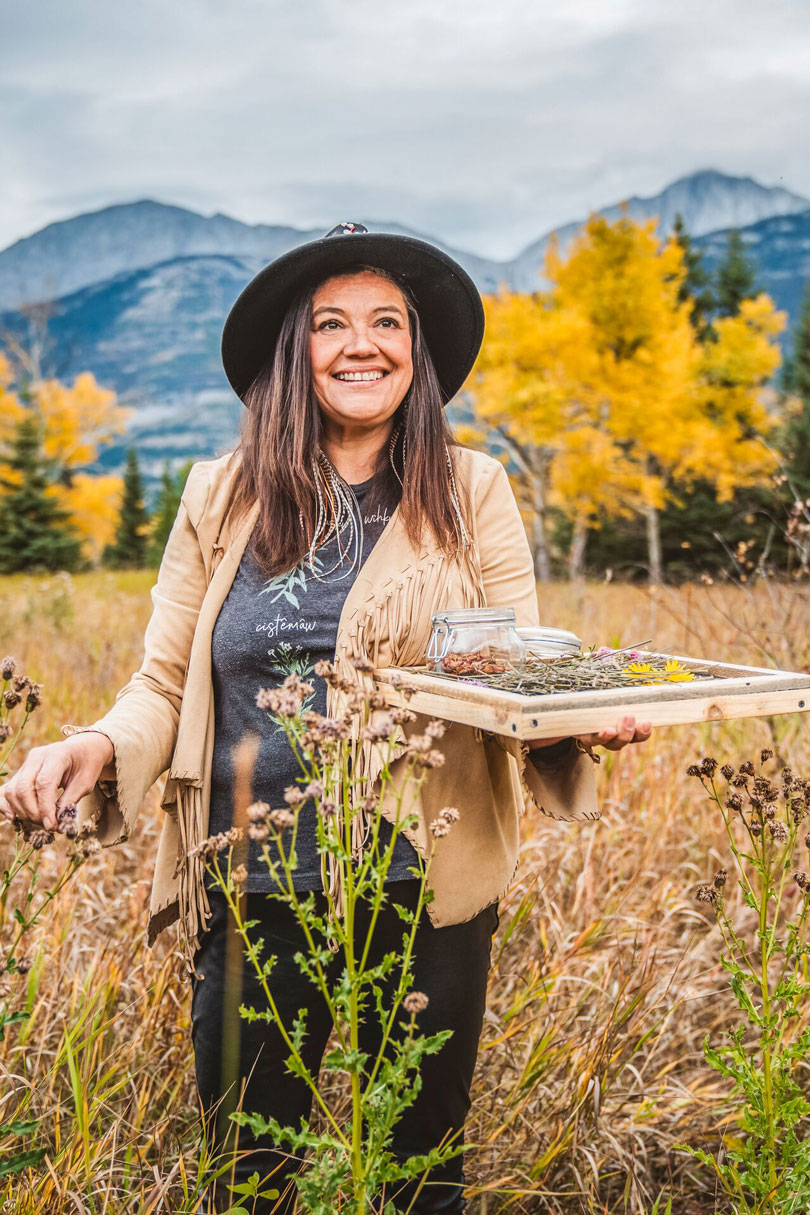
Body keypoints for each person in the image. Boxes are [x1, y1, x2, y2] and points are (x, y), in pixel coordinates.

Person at [0, 222, 652, 1213]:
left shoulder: (472, 488)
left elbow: (516, 674)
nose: (363, 344)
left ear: (416, 352)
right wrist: (93, 744)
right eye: (331, 323)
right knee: (250, 1170)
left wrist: (579, 719)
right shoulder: (220, 494)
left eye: (387, 322)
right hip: (258, 879)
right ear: (292, 352)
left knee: (416, 1172)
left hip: (422, 879)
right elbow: (167, 682)